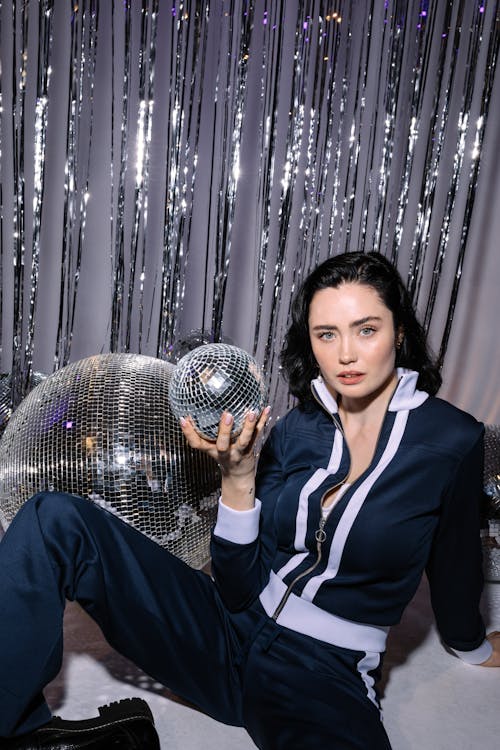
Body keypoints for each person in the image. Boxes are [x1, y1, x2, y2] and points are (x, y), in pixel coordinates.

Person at [0, 251, 498, 749]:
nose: (346, 354)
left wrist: (471, 645)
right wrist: (237, 478)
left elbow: (456, 562)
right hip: (222, 629)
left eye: (366, 329)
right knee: (54, 520)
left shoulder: (451, 440)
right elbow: (237, 585)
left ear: (400, 332)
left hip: (321, 675)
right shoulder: (298, 429)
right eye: (327, 334)